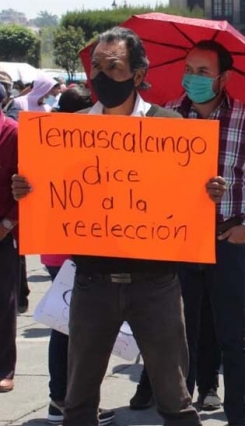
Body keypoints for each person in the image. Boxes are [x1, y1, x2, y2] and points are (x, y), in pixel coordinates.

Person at [12, 27, 204, 426]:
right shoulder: (71, 130)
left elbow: (186, 197)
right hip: (92, 282)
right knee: (78, 399)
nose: (101, 76)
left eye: (112, 67)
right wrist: (26, 189)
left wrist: (208, 192)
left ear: (137, 74)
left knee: (175, 397)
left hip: (156, 284)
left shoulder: (171, 127)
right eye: (95, 66)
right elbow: (54, 194)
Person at [165, 39, 245, 425]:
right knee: (176, 340)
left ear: (224, 77)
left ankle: (239, 416)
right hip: (179, 242)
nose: (194, 79)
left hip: (225, 241)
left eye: (203, 72)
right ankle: (180, 414)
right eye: (189, 70)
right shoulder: (166, 116)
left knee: (233, 339)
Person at [37, 86, 115, 425]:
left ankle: (67, 398)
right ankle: (63, 401)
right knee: (70, 329)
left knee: (69, 327)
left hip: (59, 250)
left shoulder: (48, 143)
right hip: (71, 250)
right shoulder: (68, 145)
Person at [0, 90, 18, 394]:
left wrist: (6, 223)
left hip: (2, 233)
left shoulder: (12, 133)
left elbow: (27, 183)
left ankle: (4, 368)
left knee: (3, 301)